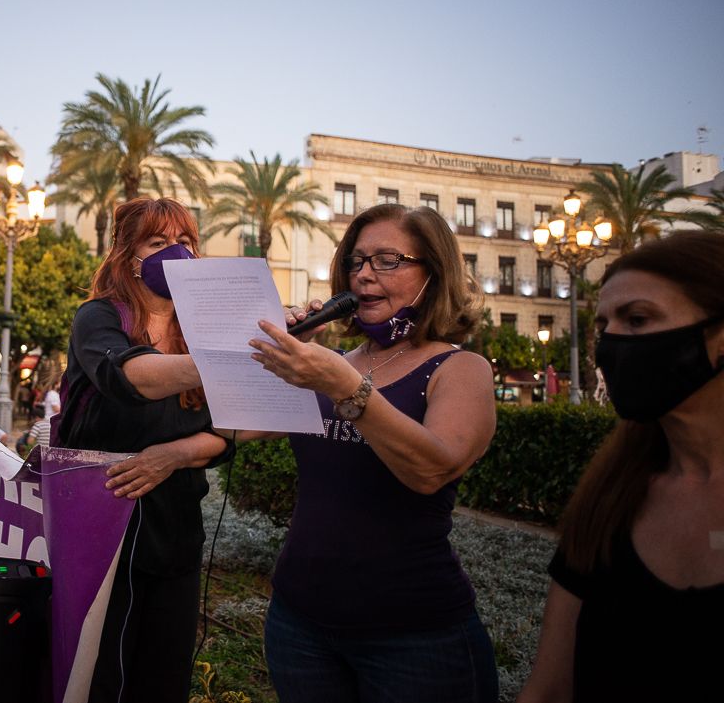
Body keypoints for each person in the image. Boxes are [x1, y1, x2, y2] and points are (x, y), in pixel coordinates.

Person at [243, 203, 498, 703]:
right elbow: (230, 425)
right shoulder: (329, 362)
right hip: (298, 625)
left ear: (433, 273)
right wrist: (280, 351)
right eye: (357, 262)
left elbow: (431, 469)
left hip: (414, 637)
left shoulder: (461, 368)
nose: (364, 275)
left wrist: (345, 387)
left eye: (387, 260)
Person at [518, 231, 724, 703]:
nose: (611, 344)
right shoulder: (608, 498)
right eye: (603, 326)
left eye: (636, 319)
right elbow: (549, 688)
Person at [57, 197, 232, 703]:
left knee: (162, 674)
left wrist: (173, 455)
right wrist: (228, 361)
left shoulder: (204, 333)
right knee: (99, 675)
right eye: (158, 244)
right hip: (100, 530)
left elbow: (232, 431)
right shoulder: (98, 317)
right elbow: (131, 376)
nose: (177, 254)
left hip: (175, 532)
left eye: (186, 243)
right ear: (127, 256)